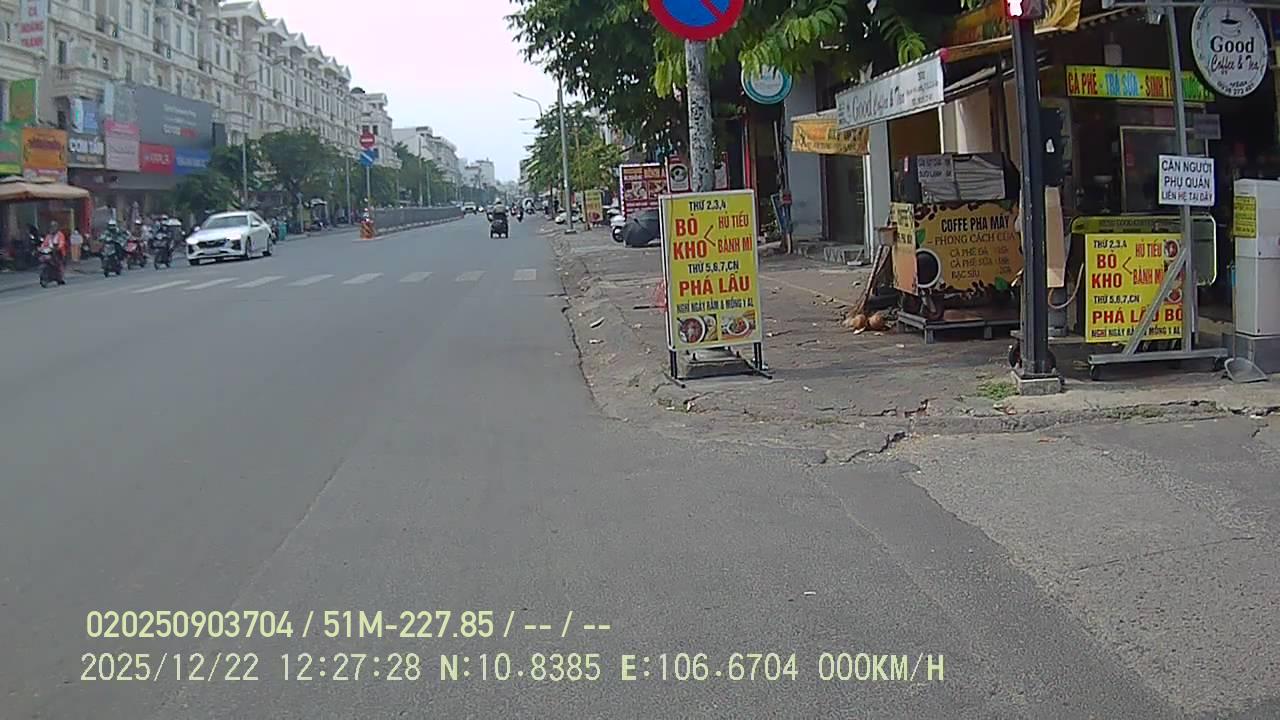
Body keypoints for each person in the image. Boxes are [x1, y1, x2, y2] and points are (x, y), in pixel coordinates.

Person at [40, 220, 68, 285]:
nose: (53, 228)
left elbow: (62, 243)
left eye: (54, 227)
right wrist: (41, 248)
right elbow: (44, 243)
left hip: (59, 252)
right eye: (52, 227)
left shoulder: (60, 235)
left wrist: (58, 247)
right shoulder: (48, 236)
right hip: (50, 252)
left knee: (59, 264)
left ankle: (60, 277)